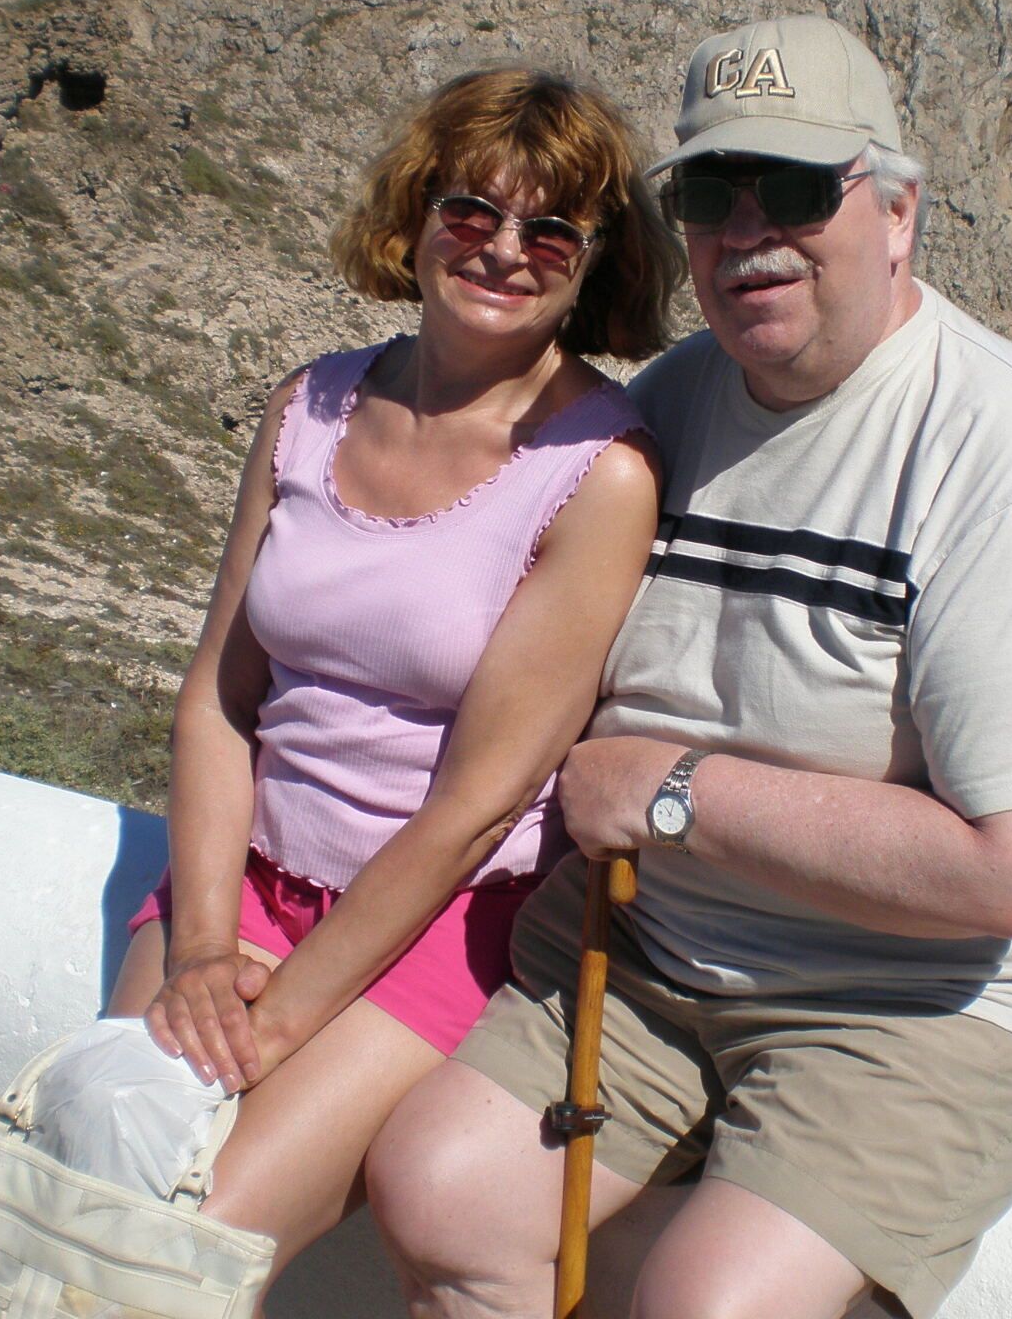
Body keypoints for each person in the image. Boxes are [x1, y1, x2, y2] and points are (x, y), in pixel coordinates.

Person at [368, 14, 1012, 1319]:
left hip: (920, 1000)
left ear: (897, 212)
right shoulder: (677, 403)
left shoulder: (1010, 454)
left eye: (798, 189)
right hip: (663, 951)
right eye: (709, 194)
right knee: (440, 1188)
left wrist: (677, 791)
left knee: (709, 1307)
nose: (750, 231)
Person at [102, 67, 681, 1294]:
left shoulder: (597, 472)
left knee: (193, 1231)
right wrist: (206, 948)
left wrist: (285, 1015)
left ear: (593, 264)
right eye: (472, 212)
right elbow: (220, 694)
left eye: (551, 232)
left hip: (439, 915)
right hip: (242, 877)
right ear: (417, 216)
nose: (504, 252)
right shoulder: (308, 405)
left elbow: (479, 803)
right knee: (105, 1167)